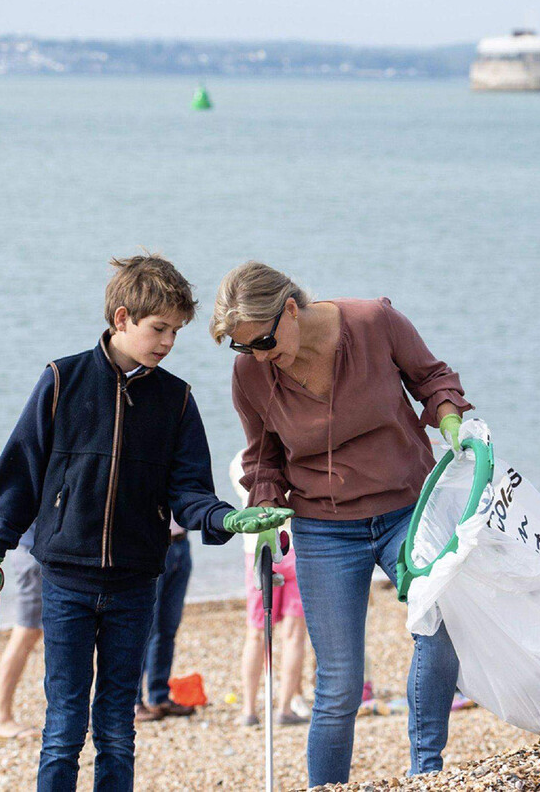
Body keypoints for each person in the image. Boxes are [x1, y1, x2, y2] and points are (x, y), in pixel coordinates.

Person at [0, 252, 284, 792]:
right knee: (64, 727)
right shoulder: (61, 381)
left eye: (176, 332)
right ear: (121, 319)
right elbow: (19, 471)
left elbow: (190, 494)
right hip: (65, 580)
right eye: (158, 328)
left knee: (116, 727)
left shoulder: (176, 400)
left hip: (137, 584)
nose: (167, 342)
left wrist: (230, 520)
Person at [210, 262, 469, 785]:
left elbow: (431, 378)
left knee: (438, 629)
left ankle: (427, 772)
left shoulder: (374, 322)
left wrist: (450, 419)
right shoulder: (251, 373)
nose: (259, 355)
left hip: (406, 509)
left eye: (262, 340)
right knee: (340, 684)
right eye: (244, 347)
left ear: (289, 309)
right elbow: (262, 458)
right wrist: (265, 510)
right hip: (324, 528)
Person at [228, 451, 310, 728]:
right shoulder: (289, 454)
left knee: (256, 634)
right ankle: (283, 708)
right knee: (293, 634)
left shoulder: (240, 461)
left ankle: (249, 710)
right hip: (293, 545)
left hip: (258, 548)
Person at [134, 516, 197, 722]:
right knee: (142, 628)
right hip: (149, 543)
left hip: (181, 542)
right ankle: (133, 702)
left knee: (168, 627)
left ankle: (159, 696)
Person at [0, 523, 43, 740]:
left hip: (34, 552)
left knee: (37, 632)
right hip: (34, 555)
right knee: (26, 632)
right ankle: (0, 717)